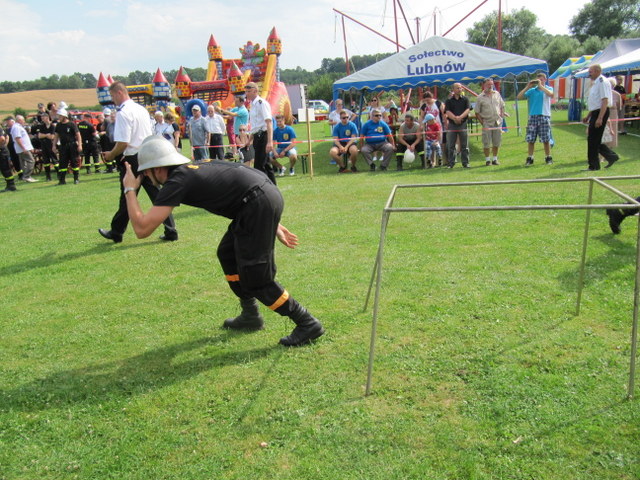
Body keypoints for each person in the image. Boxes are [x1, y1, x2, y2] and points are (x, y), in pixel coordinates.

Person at [121, 136, 325, 347]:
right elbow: (238, 183)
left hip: (257, 203)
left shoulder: (178, 179)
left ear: (159, 167)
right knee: (227, 253)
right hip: (258, 200)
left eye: (146, 170)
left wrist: (129, 190)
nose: (144, 175)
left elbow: (142, 229)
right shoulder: (189, 169)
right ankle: (250, 315)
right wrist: (271, 222)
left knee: (257, 277)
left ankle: (307, 323)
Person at [99, 81, 178, 243]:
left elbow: (123, 142)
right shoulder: (141, 109)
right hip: (147, 154)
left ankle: (117, 232)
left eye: (113, 96)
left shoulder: (123, 112)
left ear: (119, 93)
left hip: (133, 158)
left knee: (128, 193)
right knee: (157, 194)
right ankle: (171, 230)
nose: (113, 100)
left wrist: (111, 155)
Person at [582, 64, 619, 171]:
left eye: (591, 72)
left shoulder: (603, 82)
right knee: (594, 139)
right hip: (595, 112)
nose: (589, 74)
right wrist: (589, 115)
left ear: (598, 71)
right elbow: (595, 102)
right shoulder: (596, 83)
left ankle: (594, 166)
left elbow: (604, 101)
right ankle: (611, 156)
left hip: (600, 112)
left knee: (593, 140)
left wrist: (600, 118)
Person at [517, 73, 553, 166]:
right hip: (533, 116)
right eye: (538, 80)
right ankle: (530, 157)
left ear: (545, 80)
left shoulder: (548, 89)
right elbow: (519, 96)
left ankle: (548, 157)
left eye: (541, 80)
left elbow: (551, 95)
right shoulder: (532, 91)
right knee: (531, 139)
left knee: (546, 139)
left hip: (544, 115)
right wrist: (527, 86)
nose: (539, 82)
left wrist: (541, 86)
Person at [245, 82, 276, 183]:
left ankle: (263, 187)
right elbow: (255, 126)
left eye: (249, 91)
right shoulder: (252, 105)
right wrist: (249, 140)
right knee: (266, 164)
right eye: (246, 91)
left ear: (255, 91)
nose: (247, 94)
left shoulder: (261, 103)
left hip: (263, 135)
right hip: (257, 136)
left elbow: (269, 122)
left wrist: (270, 141)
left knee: (259, 165)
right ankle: (273, 187)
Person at [474, 78, 506, 166]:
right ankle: (488, 160)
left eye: (491, 84)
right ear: (484, 85)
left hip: (497, 122)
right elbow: (477, 112)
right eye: (488, 84)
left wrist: (502, 116)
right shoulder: (480, 97)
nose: (490, 86)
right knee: (486, 142)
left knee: (497, 142)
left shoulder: (497, 94)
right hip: (487, 122)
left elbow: (502, 105)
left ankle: (495, 159)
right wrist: (483, 123)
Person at [444, 83, 471, 168]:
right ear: (453, 90)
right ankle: (451, 163)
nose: (460, 89)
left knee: (464, 145)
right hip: (452, 124)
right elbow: (447, 111)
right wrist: (455, 118)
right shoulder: (448, 101)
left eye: (460, 88)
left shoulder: (466, 99)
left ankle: (465, 163)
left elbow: (468, 109)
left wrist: (460, 117)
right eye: (457, 88)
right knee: (451, 145)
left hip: (463, 124)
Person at [52, 108, 82, 185]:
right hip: (63, 147)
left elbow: (78, 135)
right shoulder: (58, 125)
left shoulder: (72, 124)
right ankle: (62, 180)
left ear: (64, 116)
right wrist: (54, 146)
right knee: (62, 163)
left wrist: (79, 145)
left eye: (60, 116)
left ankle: (76, 179)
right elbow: (56, 136)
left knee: (74, 162)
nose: (59, 117)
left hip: (72, 146)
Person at [6, 115, 38, 183]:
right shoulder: (16, 127)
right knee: (31, 161)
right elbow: (18, 139)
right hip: (22, 148)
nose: (24, 121)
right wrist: (24, 148)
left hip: (22, 148)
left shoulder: (16, 127)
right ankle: (27, 176)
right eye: (23, 120)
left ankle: (25, 176)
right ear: (19, 120)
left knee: (24, 163)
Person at [37, 112, 58, 181]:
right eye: (41, 118)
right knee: (46, 161)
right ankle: (48, 176)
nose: (42, 119)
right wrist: (46, 135)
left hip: (51, 145)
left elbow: (52, 137)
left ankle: (59, 174)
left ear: (47, 117)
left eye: (43, 118)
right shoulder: (42, 126)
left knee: (54, 160)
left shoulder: (52, 126)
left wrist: (44, 135)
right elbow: (39, 136)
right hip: (44, 145)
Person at [605, 77, 622, 149]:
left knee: (613, 133)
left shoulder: (617, 94)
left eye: (612, 85)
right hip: (605, 114)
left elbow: (619, 107)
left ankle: (610, 150)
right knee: (605, 132)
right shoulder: (604, 93)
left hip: (613, 115)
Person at [0, 124, 17, 192]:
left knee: (5, 169)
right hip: (3, 150)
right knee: (4, 169)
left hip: (2, 152)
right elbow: (6, 137)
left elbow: (2, 138)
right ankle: (9, 185)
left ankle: (11, 185)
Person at [98, 108, 116, 173]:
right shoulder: (115, 120)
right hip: (114, 140)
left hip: (107, 139)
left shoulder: (106, 120)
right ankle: (115, 166)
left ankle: (110, 168)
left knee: (107, 152)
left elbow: (102, 128)